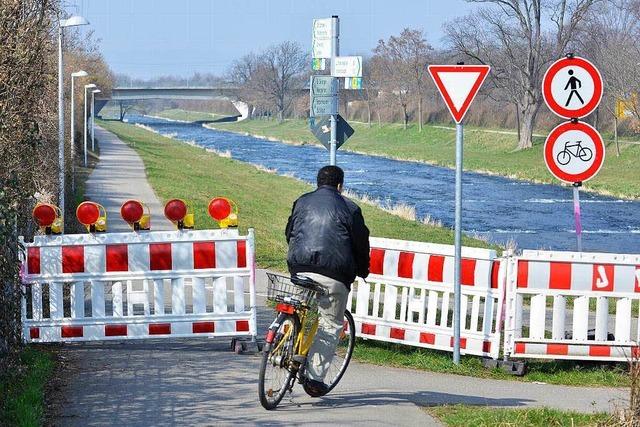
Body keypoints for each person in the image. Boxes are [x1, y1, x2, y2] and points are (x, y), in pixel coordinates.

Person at [285, 165, 370, 396]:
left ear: (317, 182)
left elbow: (289, 231)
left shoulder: (302, 201)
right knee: (330, 324)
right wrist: (363, 270)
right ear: (341, 186)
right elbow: (361, 246)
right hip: (334, 274)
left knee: (300, 306)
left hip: (299, 267)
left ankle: (282, 345)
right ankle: (314, 378)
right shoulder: (350, 209)